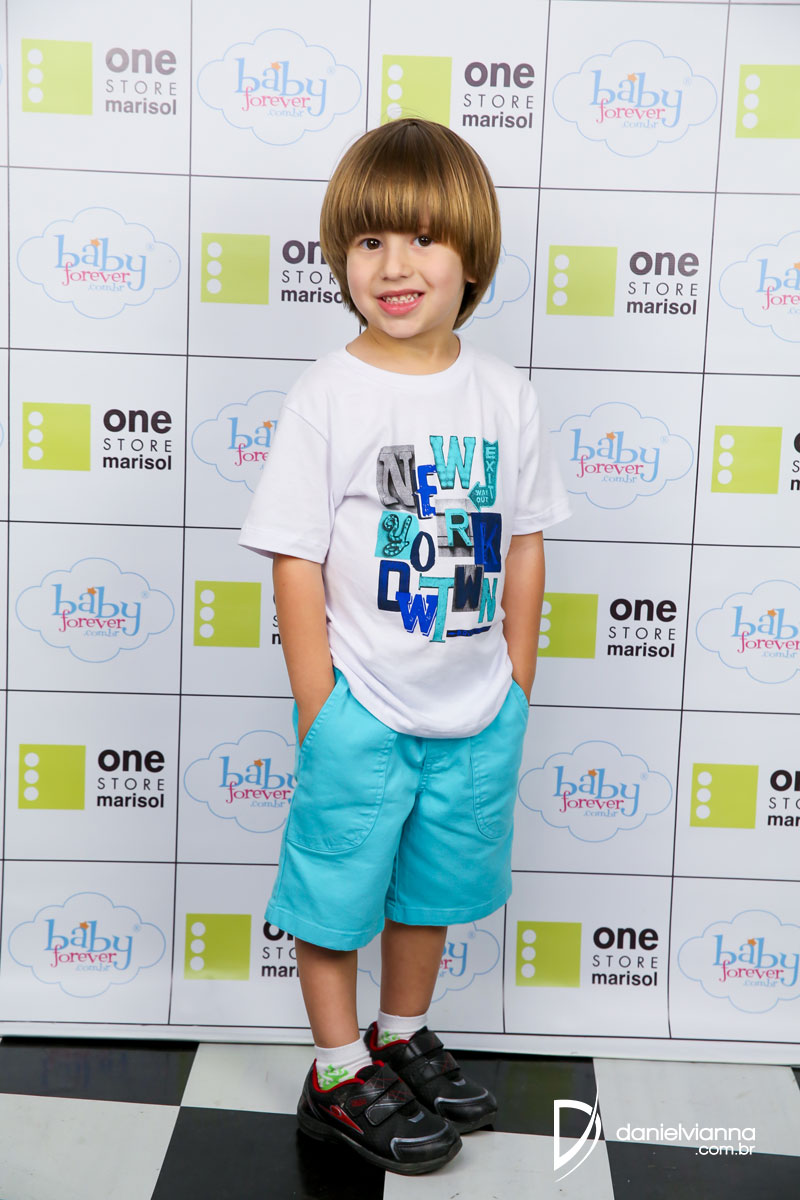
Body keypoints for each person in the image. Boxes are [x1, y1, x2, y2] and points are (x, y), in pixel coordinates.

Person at [239, 118, 570, 1176]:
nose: (394, 265)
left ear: (471, 257)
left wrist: (516, 679)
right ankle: (339, 1069)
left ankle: (399, 1035)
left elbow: (524, 544)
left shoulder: (504, 395)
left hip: (475, 706)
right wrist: (319, 706)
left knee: (432, 889)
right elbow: (293, 558)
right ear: (341, 258)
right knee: (336, 892)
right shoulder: (327, 395)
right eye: (370, 241)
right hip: (364, 710)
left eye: (423, 240)